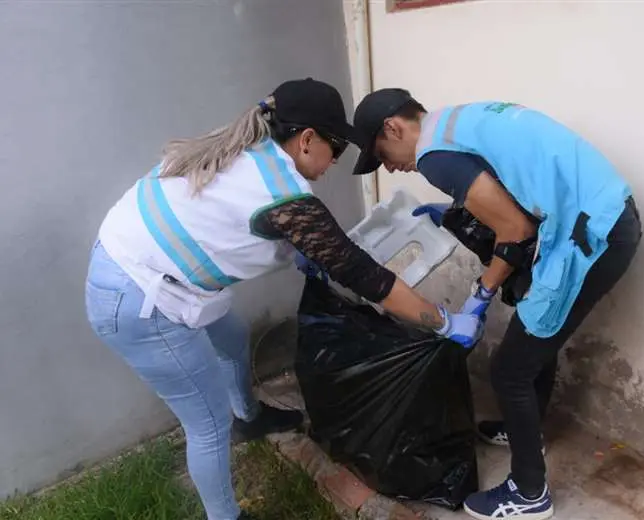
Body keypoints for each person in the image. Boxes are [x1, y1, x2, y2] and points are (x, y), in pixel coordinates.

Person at [84, 78, 483, 520]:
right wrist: (443, 321)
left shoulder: (249, 148)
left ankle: (250, 416)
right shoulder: (281, 192)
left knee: (232, 339)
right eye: (337, 147)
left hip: (133, 264)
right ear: (308, 138)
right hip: (139, 300)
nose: (336, 160)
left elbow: (235, 215)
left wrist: (300, 250)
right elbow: (364, 275)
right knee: (209, 424)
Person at [350, 89, 642, 520]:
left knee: (510, 371)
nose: (391, 166)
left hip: (592, 237)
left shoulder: (434, 155)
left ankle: (529, 494)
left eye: (383, 153)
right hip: (604, 215)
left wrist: (477, 299)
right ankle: (530, 430)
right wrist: (454, 211)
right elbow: (506, 184)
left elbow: (517, 230)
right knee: (535, 327)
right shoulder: (455, 120)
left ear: (393, 128)